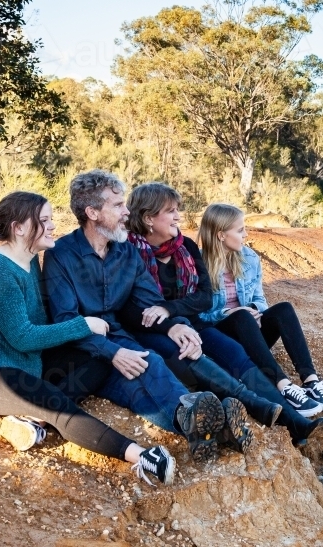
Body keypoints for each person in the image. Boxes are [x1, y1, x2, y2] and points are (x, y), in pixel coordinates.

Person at [0, 191, 176, 485]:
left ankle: (32, 419)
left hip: (21, 362)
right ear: (19, 227)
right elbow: (23, 337)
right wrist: (83, 324)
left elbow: (38, 329)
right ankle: (143, 457)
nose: (53, 226)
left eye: (51, 219)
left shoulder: (30, 262)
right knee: (53, 401)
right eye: (44, 220)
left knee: (98, 358)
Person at [42, 170, 272, 458]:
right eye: (117, 205)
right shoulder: (61, 254)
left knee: (153, 364)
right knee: (137, 375)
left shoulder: (125, 251)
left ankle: (206, 428)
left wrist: (174, 325)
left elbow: (150, 298)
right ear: (92, 213)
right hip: (80, 349)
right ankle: (215, 429)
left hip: (119, 338)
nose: (127, 212)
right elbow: (65, 321)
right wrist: (112, 353)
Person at [122, 182, 323, 446]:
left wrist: (169, 308)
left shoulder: (185, 247)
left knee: (238, 356)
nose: (179, 216)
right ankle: (269, 415)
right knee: (208, 365)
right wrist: (169, 321)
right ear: (149, 218)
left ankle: (295, 422)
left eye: (178, 209)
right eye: (170, 211)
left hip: (194, 324)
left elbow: (204, 297)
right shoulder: (128, 252)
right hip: (156, 331)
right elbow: (128, 307)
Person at [195, 203, 323, 417]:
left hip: (252, 334)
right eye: (240, 230)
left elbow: (260, 299)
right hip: (221, 342)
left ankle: (311, 381)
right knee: (241, 316)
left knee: (284, 310)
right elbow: (195, 315)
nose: (246, 234)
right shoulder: (196, 265)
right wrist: (228, 313)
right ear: (221, 235)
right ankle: (284, 387)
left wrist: (254, 309)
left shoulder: (250, 259)